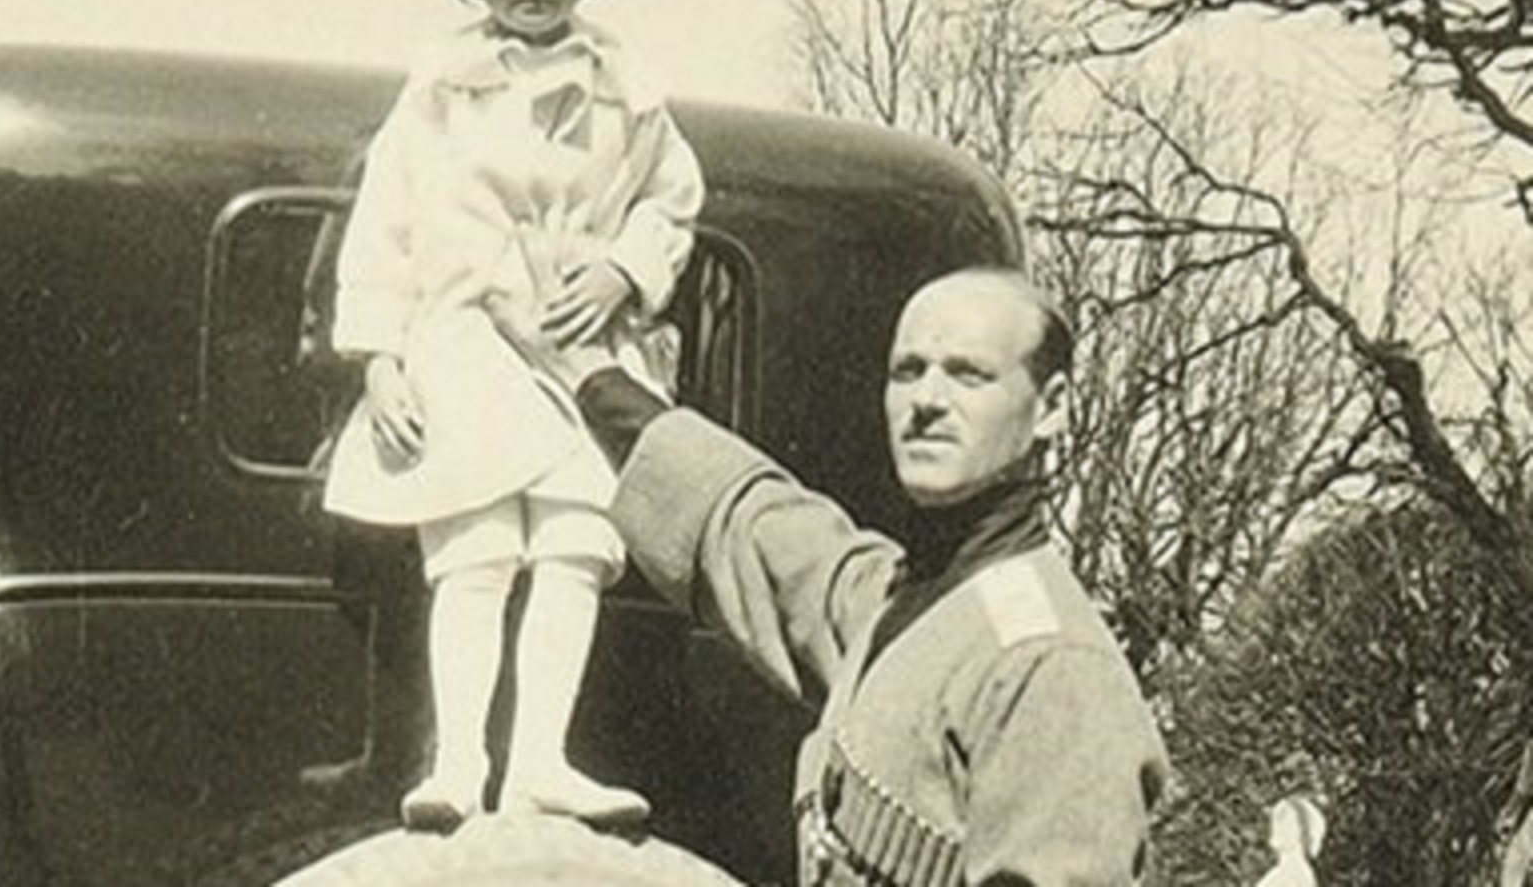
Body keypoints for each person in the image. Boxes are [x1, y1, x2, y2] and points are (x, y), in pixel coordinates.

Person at [496, 265, 1168, 887]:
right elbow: (754, 524)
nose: (927, 400)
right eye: (907, 371)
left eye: (968, 375)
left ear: (1051, 406)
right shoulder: (905, 601)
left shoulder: (1050, 663)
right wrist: (584, 371)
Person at [321, 0, 705, 833]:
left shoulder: (629, 92)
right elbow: (387, 223)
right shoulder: (439, 90)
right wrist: (379, 357)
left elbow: (673, 201)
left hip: (582, 345)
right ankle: (459, 758)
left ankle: (540, 757)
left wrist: (626, 266)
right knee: (479, 543)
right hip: (467, 340)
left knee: (578, 538)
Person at [1255, 796, 1324, 887]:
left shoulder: (1294, 874)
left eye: (1285, 821)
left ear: (1301, 833)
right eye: (1277, 820)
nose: (1276, 828)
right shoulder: (1284, 872)